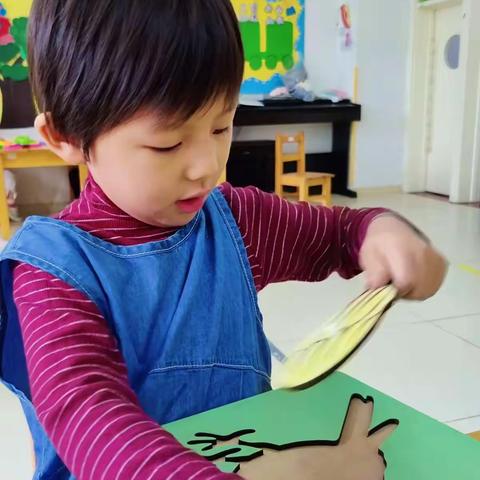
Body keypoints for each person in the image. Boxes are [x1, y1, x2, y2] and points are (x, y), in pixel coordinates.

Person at [0, 1, 447, 479]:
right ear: (67, 135)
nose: (206, 165)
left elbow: (337, 233)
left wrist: (383, 234)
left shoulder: (235, 220)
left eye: (221, 126)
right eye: (167, 143)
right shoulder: (50, 276)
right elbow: (90, 419)